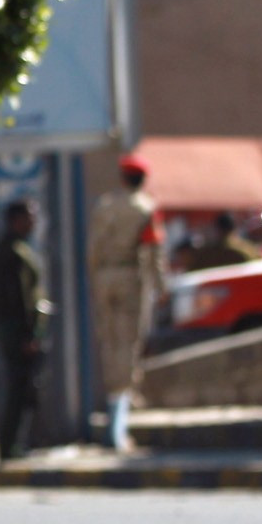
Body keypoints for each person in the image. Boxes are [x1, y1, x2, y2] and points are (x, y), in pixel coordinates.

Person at [88, 153, 165, 449]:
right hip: (129, 276)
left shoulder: (104, 206)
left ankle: (114, 411)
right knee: (128, 344)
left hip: (104, 278)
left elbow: (92, 248)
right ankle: (118, 423)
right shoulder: (144, 208)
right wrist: (161, 287)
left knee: (109, 342)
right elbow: (153, 250)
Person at [0, 199, 52, 461]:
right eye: (28, 217)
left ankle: (15, 443)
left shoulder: (14, 249)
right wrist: (29, 335)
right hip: (19, 332)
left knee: (22, 388)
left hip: (17, 330)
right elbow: (19, 297)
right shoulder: (12, 252)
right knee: (19, 388)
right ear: (15, 220)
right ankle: (10, 445)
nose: (33, 222)